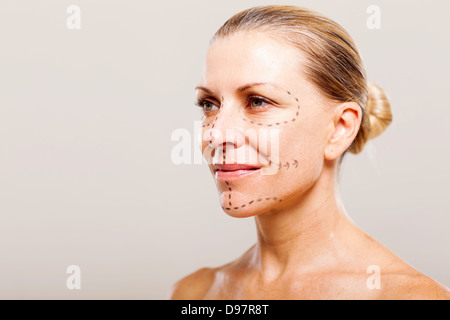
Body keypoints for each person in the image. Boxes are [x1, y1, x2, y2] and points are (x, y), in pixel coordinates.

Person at [171, 5, 449, 299]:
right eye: (209, 104)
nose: (216, 134)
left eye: (258, 101)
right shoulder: (196, 293)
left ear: (340, 128)